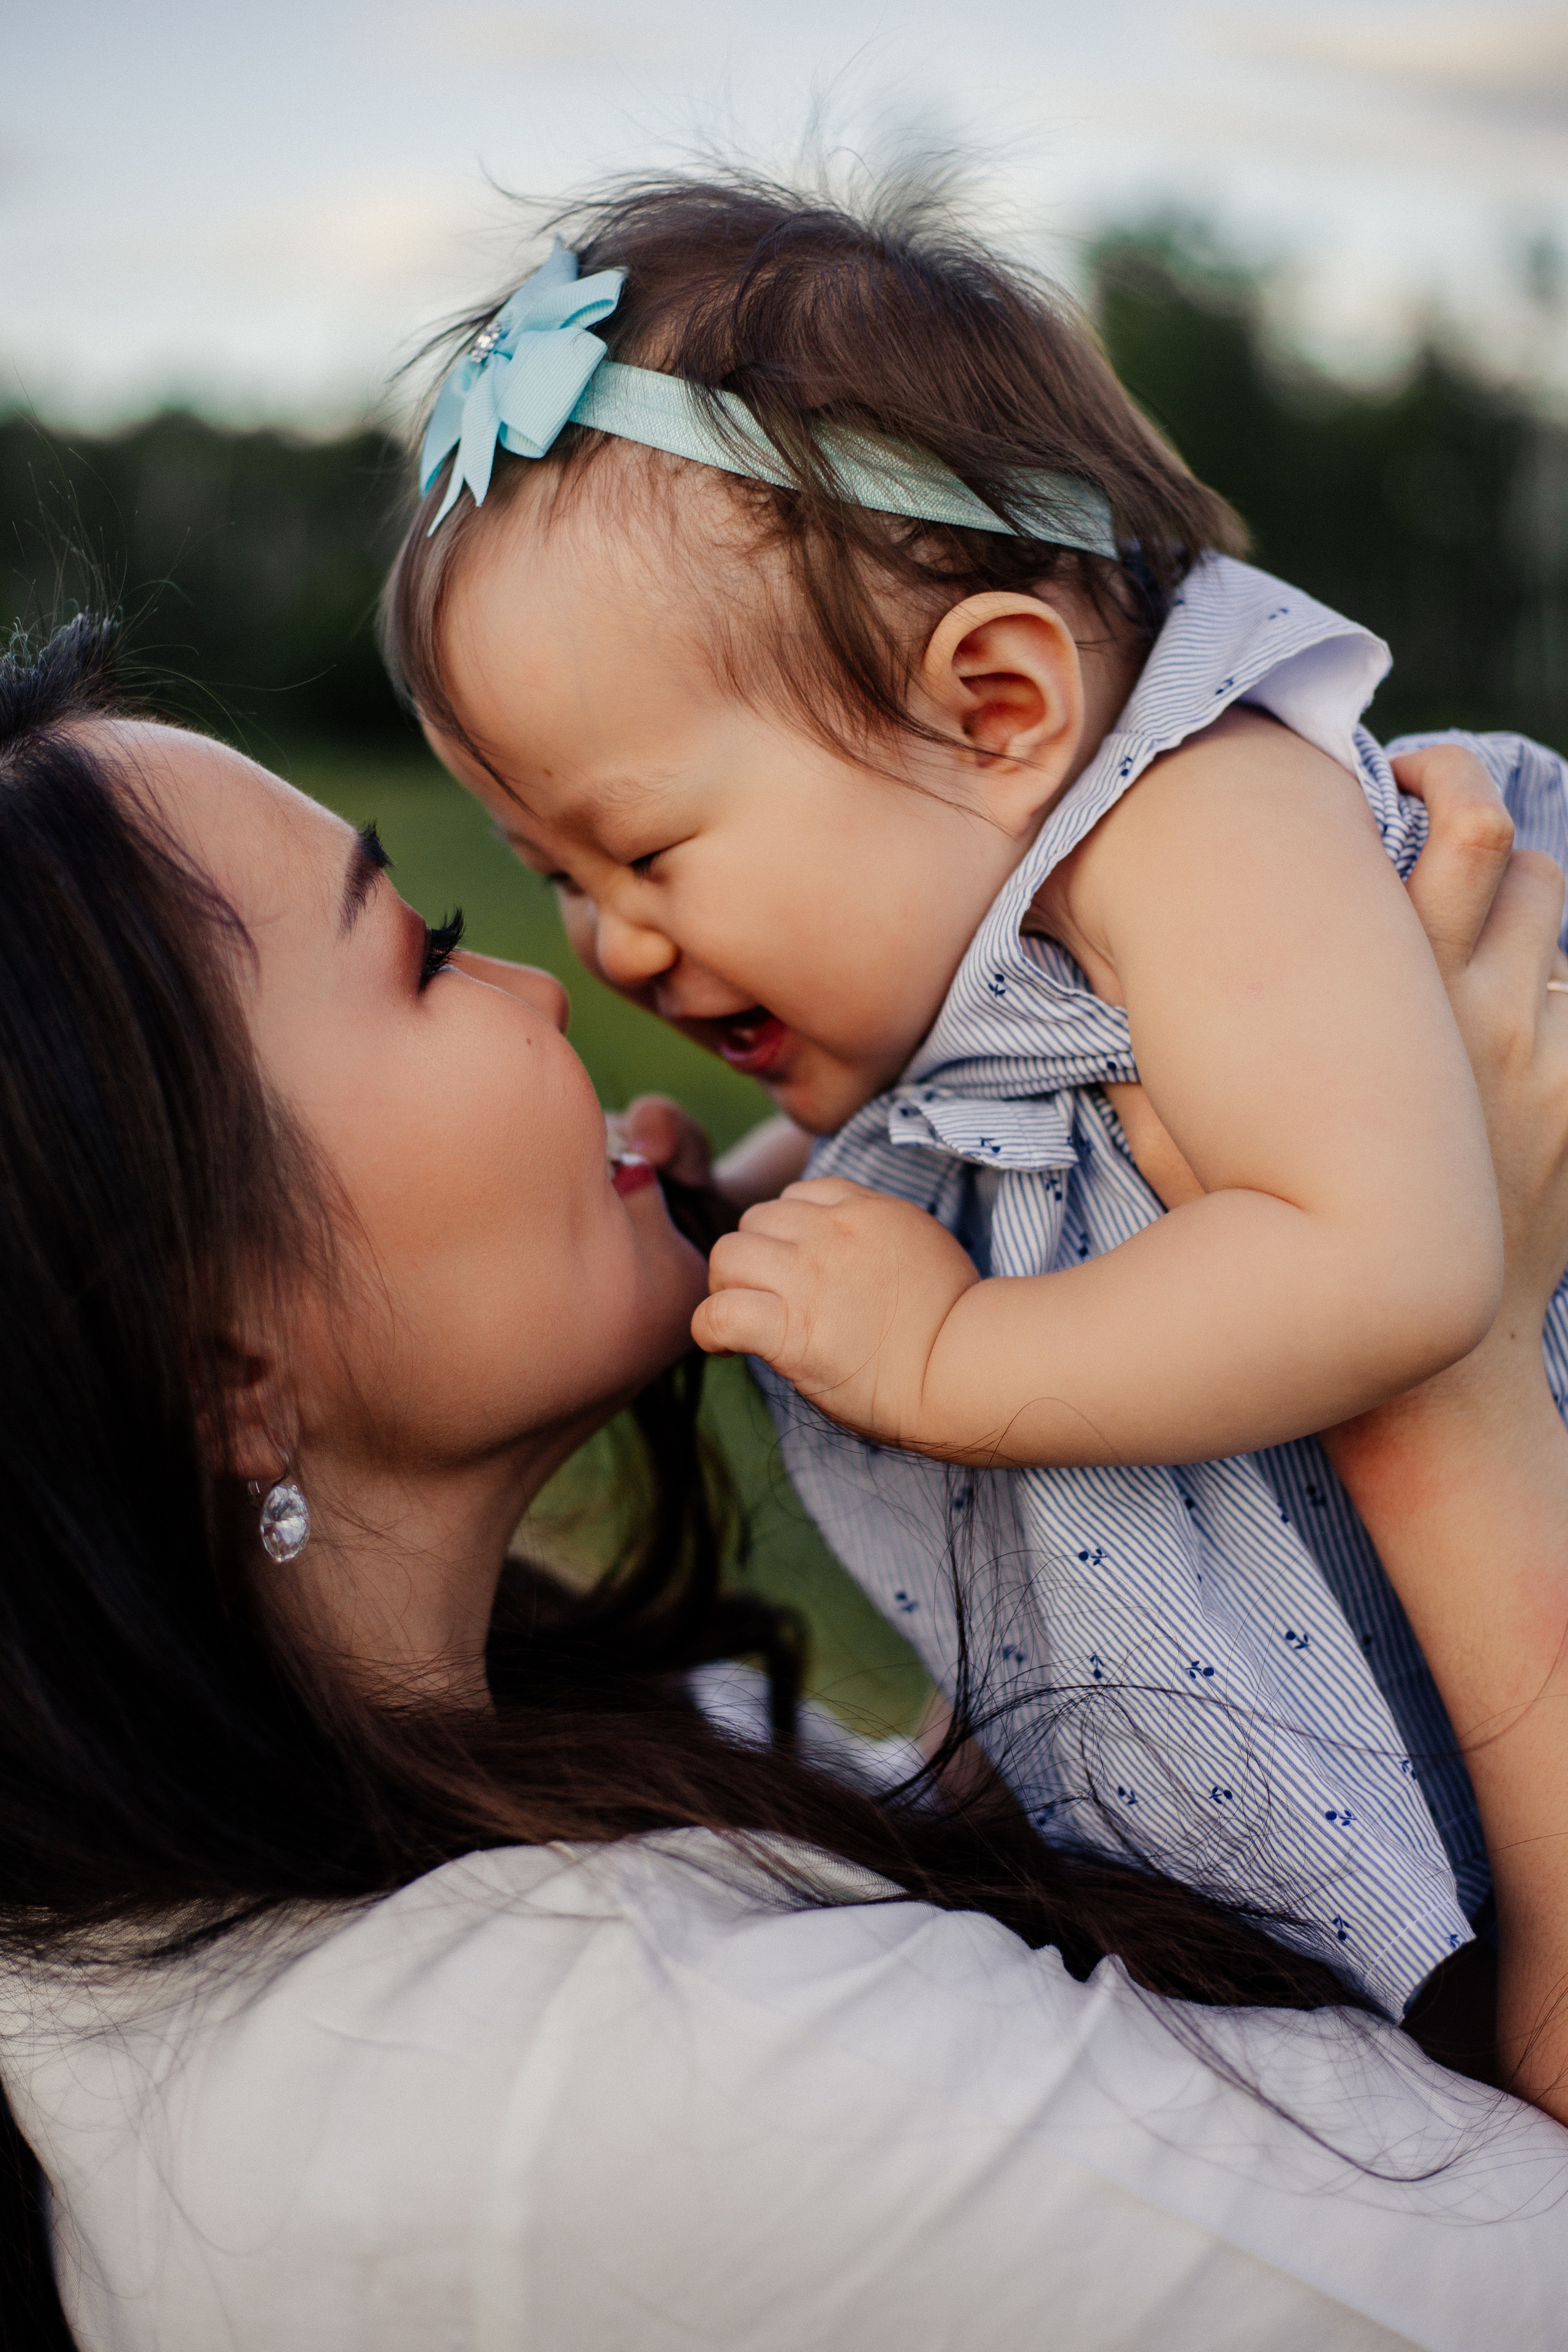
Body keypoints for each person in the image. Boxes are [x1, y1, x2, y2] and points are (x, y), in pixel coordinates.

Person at [2, 622, 1567, 2351]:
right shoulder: (604, 2094)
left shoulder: (474, 1817)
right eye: (427, 956)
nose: (549, 981)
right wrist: (1443, 1344)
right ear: (228, 1374)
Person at [383, 169, 1568, 2015]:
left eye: (645, 850)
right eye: (556, 876)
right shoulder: (990, 900)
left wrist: (944, 1357)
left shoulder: (1211, 823)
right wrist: (735, 1214)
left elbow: (1395, 1263)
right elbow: (986, 1124)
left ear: (1000, 706)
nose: (612, 945)